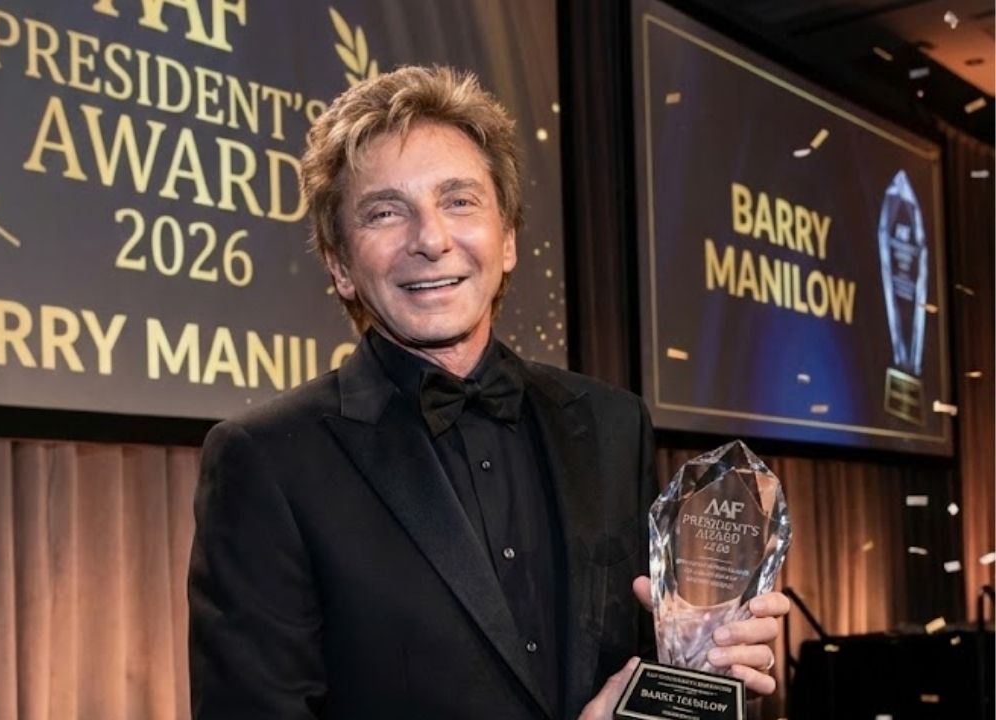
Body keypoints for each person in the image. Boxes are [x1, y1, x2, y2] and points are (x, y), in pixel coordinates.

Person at [187, 65, 789, 720]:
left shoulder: (613, 422)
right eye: (385, 212)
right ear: (340, 266)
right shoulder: (268, 460)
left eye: (459, 201)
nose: (431, 239)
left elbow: (641, 668)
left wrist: (701, 663)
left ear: (507, 241)